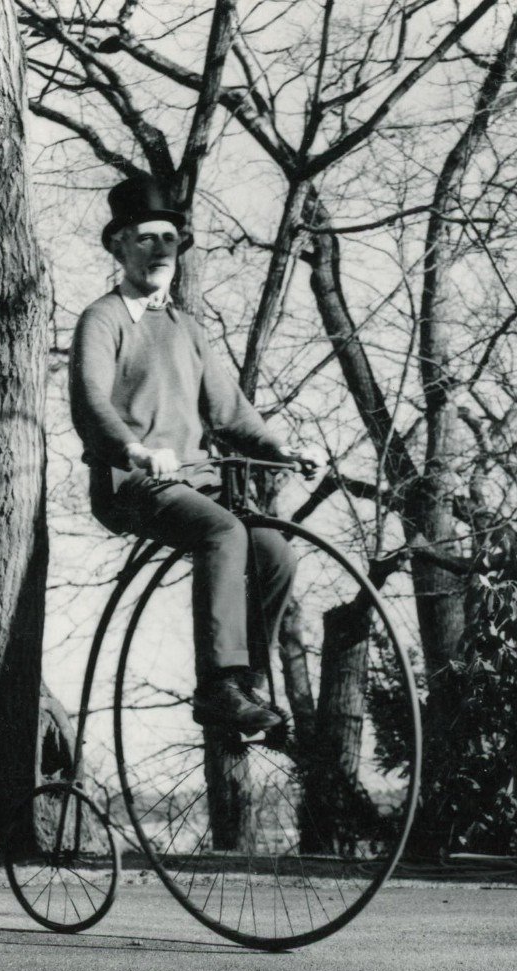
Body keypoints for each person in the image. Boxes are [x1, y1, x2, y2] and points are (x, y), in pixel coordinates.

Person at [69, 176, 319, 731]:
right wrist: (134, 450)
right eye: (145, 239)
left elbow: (229, 410)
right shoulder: (103, 319)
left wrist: (282, 447)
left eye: (169, 240)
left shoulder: (187, 328)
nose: (160, 251)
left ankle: (245, 683)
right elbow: (90, 403)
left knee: (274, 550)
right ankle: (217, 688)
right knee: (223, 532)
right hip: (131, 484)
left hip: (194, 481)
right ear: (119, 247)